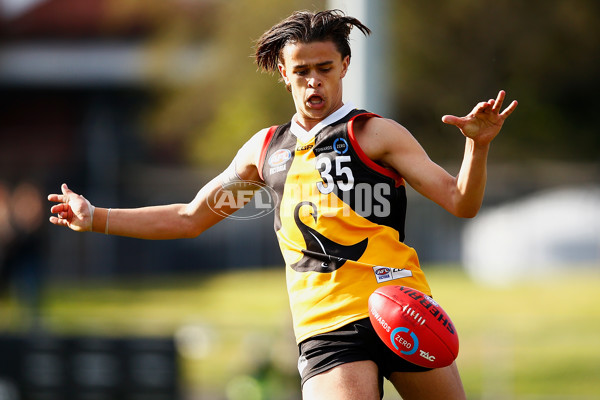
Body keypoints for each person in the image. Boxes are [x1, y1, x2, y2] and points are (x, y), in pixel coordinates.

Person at [49, 9, 517, 400]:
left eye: (325, 69)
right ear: (283, 72)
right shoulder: (265, 151)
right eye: (302, 71)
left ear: (345, 65)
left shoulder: (376, 134)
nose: (313, 83)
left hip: (401, 309)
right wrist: (97, 218)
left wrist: (478, 148)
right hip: (327, 327)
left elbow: (460, 202)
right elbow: (190, 218)